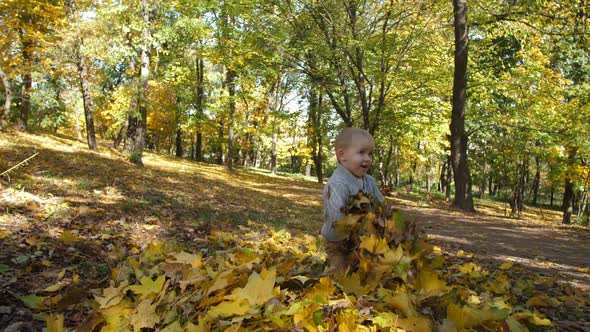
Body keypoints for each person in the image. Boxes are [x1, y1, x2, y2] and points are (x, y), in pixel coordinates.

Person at [321, 127, 384, 274]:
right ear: (342, 155)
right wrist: (352, 233)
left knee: (365, 269)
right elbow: (337, 215)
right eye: (361, 152)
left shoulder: (369, 181)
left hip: (364, 238)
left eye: (370, 154)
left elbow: (380, 204)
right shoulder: (338, 184)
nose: (367, 158)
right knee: (339, 271)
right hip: (339, 241)